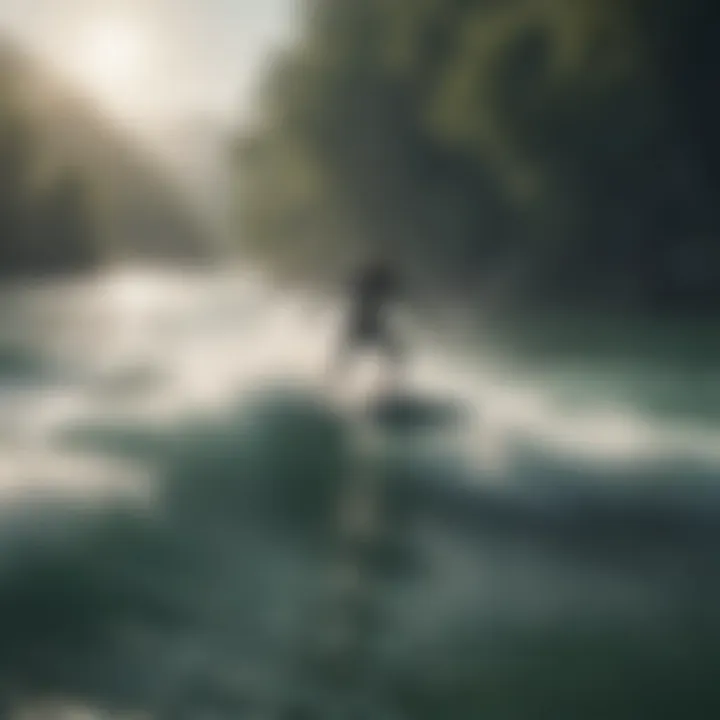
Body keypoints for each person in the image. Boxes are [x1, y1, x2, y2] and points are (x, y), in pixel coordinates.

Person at [330, 256, 405, 390]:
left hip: (370, 324)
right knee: (347, 355)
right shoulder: (370, 283)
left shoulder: (374, 283)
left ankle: (392, 387)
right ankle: (334, 383)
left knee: (393, 354)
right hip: (364, 323)